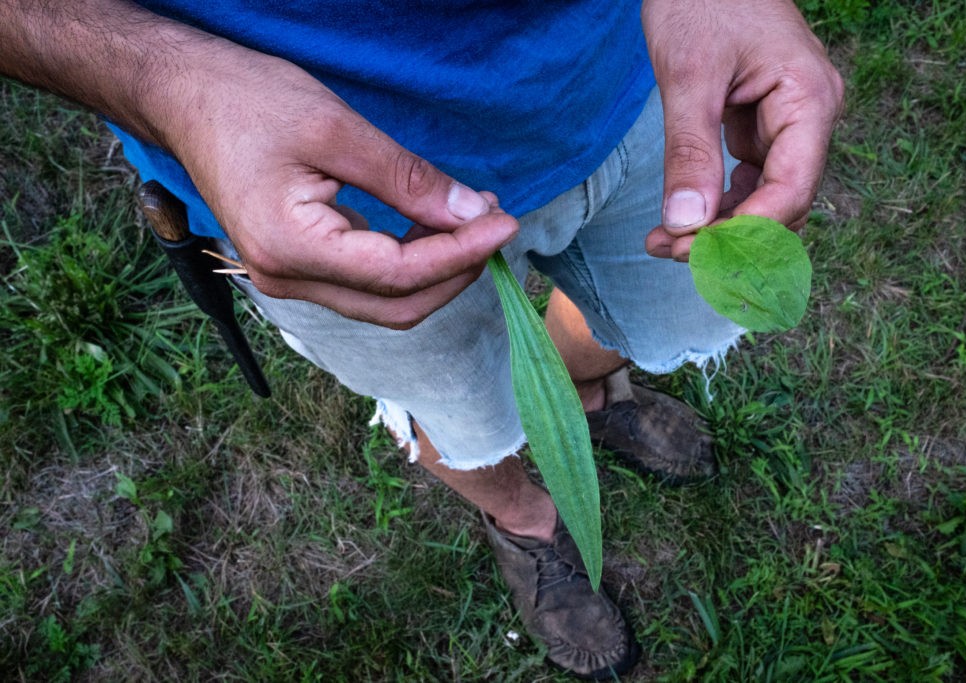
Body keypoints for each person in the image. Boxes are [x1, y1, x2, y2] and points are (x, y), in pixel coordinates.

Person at [0, 0, 843, 677]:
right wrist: (163, 81)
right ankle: (525, 520)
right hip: (327, 184)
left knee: (664, 312)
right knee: (457, 412)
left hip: (631, 71)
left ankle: (584, 394)